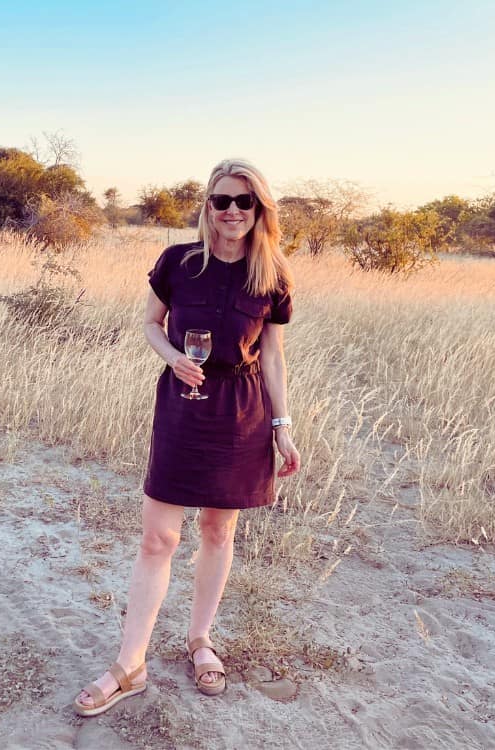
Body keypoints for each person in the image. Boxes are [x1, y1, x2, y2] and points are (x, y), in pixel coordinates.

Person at [74, 158, 300, 717]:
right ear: (208, 205)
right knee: (158, 540)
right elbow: (151, 322)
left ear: (259, 210)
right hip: (182, 407)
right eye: (221, 200)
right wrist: (174, 358)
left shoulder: (272, 275)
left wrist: (282, 426)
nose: (231, 211)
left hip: (242, 412)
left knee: (218, 532)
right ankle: (131, 664)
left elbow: (271, 354)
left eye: (243, 202)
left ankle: (200, 640)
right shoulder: (178, 262)